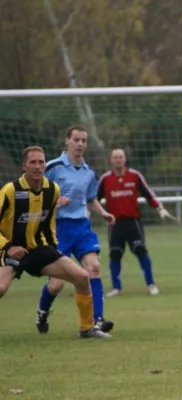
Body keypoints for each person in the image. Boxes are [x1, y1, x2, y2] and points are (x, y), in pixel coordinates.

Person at [0, 146, 110, 338]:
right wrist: (8, 247)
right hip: (8, 249)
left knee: (82, 276)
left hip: (36, 249)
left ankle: (87, 328)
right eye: (33, 162)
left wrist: (54, 252)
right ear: (24, 166)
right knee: (1, 288)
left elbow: (48, 225)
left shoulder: (52, 190)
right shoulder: (11, 190)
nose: (38, 166)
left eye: (41, 162)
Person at [35, 125, 116, 334]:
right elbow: (37, 196)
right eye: (77, 140)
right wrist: (55, 202)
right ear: (67, 141)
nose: (80, 144)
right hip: (57, 229)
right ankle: (42, 312)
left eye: (84, 140)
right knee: (57, 285)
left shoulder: (88, 172)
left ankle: (96, 321)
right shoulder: (53, 167)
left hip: (81, 227)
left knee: (94, 268)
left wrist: (103, 212)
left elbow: (89, 199)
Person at [97, 149, 176, 296]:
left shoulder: (135, 176)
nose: (118, 160)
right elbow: (93, 198)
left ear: (125, 159)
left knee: (140, 251)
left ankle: (151, 284)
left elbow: (148, 194)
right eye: (115, 157)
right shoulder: (105, 179)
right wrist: (87, 212)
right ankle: (116, 287)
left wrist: (160, 208)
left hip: (132, 222)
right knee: (115, 253)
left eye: (120, 157)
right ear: (111, 160)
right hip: (115, 223)